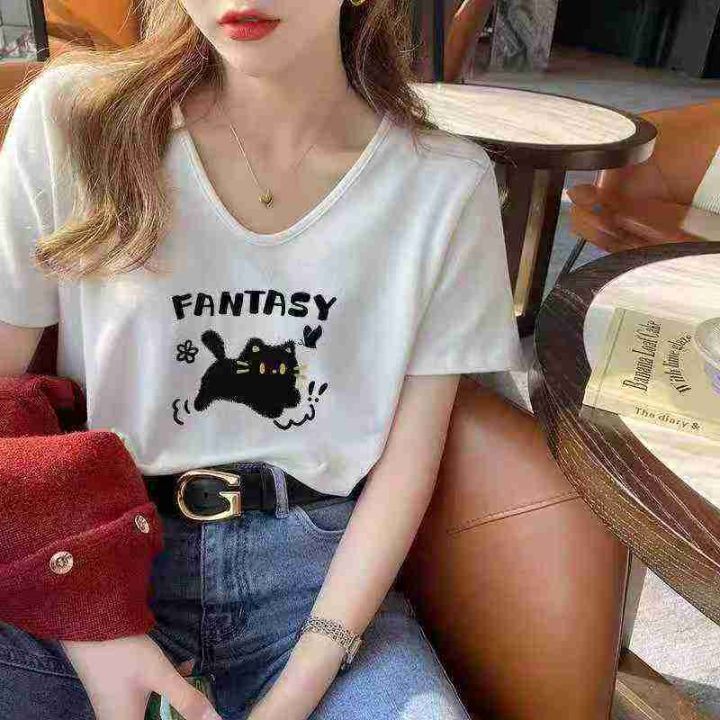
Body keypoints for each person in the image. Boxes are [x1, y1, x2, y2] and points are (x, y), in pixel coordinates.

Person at [0, 1, 523, 718]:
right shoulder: (76, 121)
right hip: (88, 554)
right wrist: (90, 614)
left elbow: (409, 464)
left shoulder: (442, 186)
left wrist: (300, 685)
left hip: (315, 590)